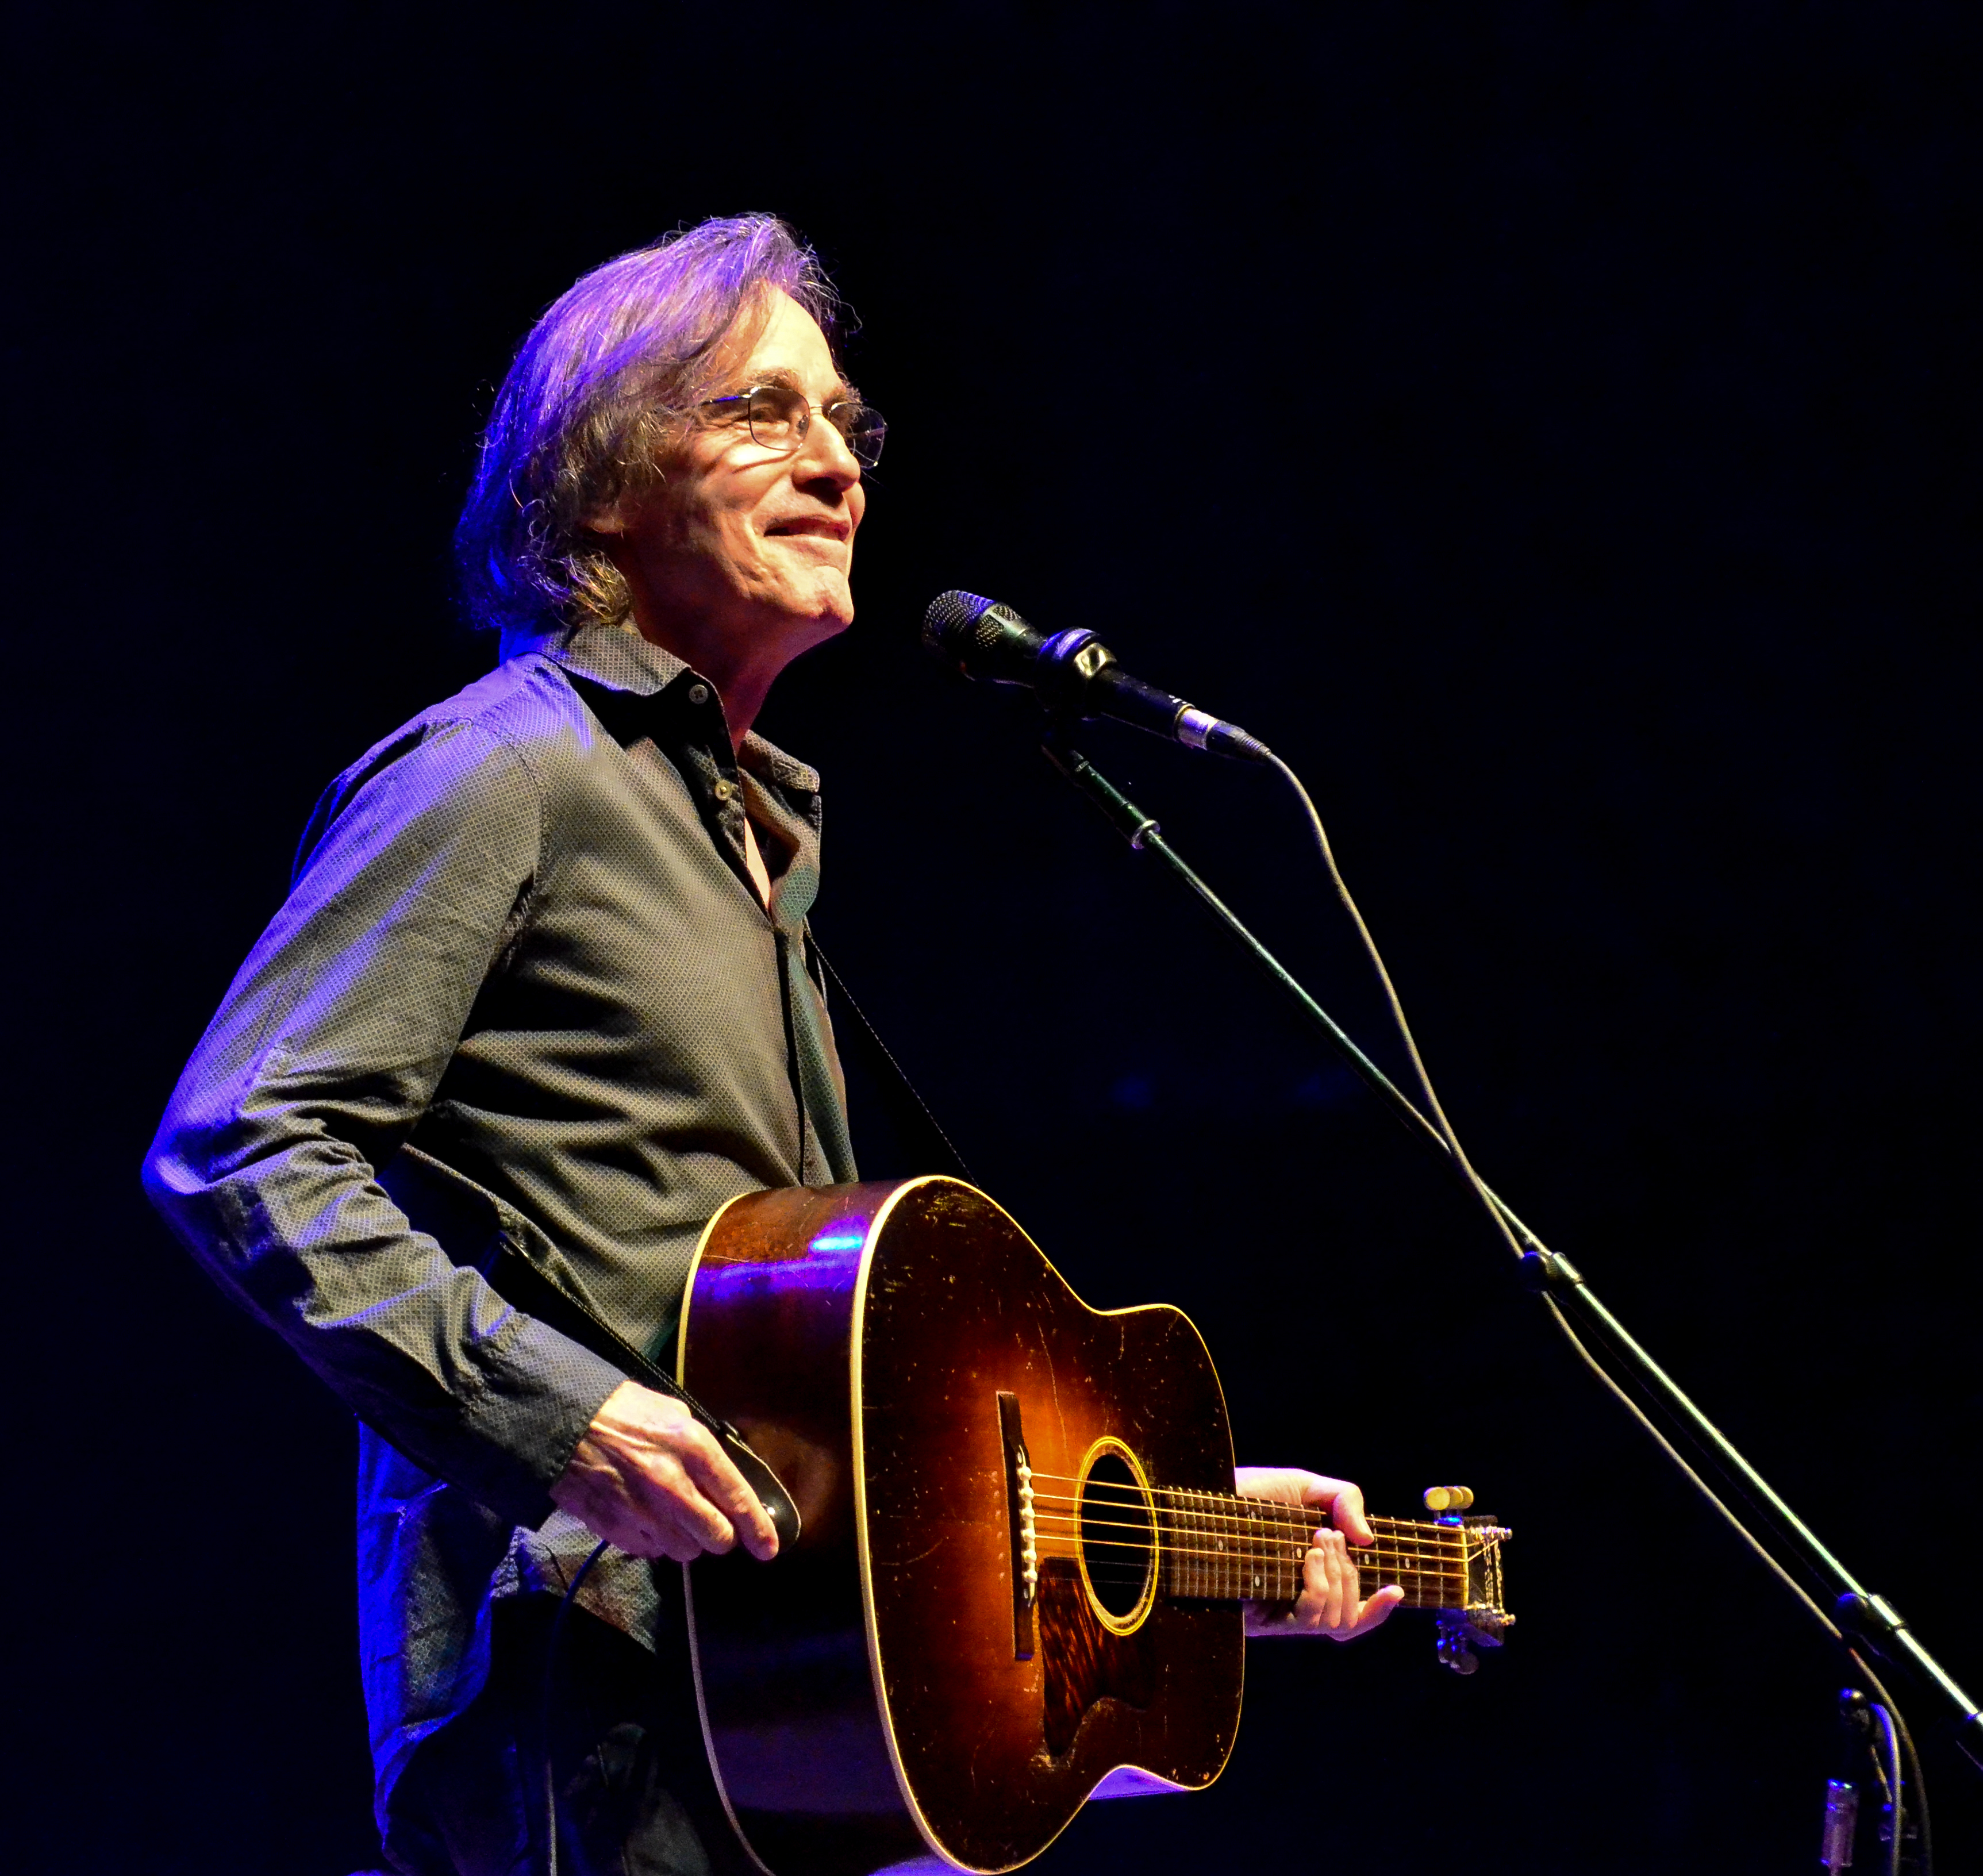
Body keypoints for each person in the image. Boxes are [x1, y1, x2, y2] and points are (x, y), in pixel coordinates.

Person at [143, 214, 1401, 1876]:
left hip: (778, 1710)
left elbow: (817, 1382)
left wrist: (1188, 1527)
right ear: (592, 483)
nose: (838, 466)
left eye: (847, 426)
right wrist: (562, 1415)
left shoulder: (757, 836)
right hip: (588, 1708)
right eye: (761, 412)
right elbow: (240, 1146)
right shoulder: (503, 774)